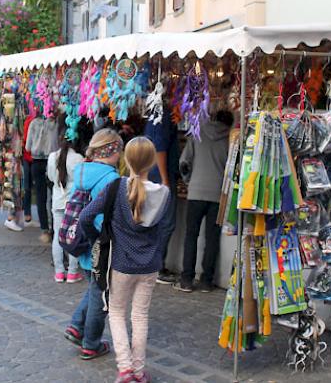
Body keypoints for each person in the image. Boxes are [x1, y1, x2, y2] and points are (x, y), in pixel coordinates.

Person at [79, 137, 170, 383]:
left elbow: (85, 217)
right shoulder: (164, 193)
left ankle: (125, 369)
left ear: (126, 160)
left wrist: (97, 239)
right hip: (149, 265)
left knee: (117, 313)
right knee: (140, 317)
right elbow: (162, 231)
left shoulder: (116, 187)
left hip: (120, 263)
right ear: (152, 162)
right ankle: (139, 372)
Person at [64, 128, 122, 361]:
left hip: (81, 243)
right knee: (101, 296)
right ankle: (91, 344)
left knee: (94, 288)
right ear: (112, 150)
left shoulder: (81, 172)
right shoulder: (111, 179)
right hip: (101, 245)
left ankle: (77, 326)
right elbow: (103, 218)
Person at [174, 109, 234, 293]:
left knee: (191, 236)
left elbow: (184, 163)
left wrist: (189, 181)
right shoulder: (230, 141)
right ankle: (207, 281)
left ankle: (186, 279)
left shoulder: (197, 134)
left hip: (196, 192)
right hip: (218, 195)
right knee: (212, 238)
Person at [144, 104, 180, 285]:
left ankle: (152, 263)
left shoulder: (154, 116)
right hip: (160, 177)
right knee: (165, 222)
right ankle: (156, 265)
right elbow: (160, 149)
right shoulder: (163, 117)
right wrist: (165, 179)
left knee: (157, 221)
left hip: (153, 175)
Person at [47, 117, 84, 283]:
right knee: (73, 235)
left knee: (57, 236)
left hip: (57, 201)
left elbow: (50, 177)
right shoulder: (77, 158)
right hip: (73, 203)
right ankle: (72, 272)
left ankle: (59, 272)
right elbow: (81, 181)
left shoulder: (52, 157)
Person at [25, 113, 58, 243]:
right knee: (54, 194)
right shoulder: (54, 124)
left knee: (41, 197)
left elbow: (28, 146)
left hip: (37, 162)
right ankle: (54, 228)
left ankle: (44, 229)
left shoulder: (34, 123)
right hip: (51, 161)